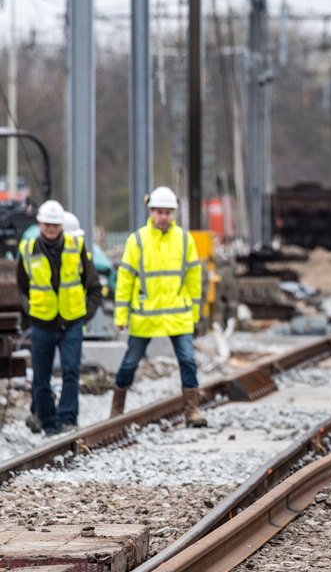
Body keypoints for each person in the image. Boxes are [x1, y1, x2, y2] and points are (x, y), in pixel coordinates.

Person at [110, 186, 206, 427]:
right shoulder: (138, 241)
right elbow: (125, 281)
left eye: (167, 212)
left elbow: (194, 280)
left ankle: (192, 411)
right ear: (150, 212)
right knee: (130, 362)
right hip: (146, 317)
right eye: (159, 212)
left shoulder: (184, 240)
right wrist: (121, 315)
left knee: (187, 361)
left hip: (178, 315)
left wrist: (194, 313)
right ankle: (116, 410)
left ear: (172, 213)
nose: (163, 217)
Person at [17, 200, 103, 435]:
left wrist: (83, 315)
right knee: (41, 377)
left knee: (71, 372)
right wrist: (33, 310)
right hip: (42, 323)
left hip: (72, 323)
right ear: (40, 224)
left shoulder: (76, 247)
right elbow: (23, 287)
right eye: (47, 224)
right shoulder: (28, 250)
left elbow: (92, 285)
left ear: (62, 225)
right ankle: (49, 423)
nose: (51, 228)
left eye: (55, 224)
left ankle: (67, 419)